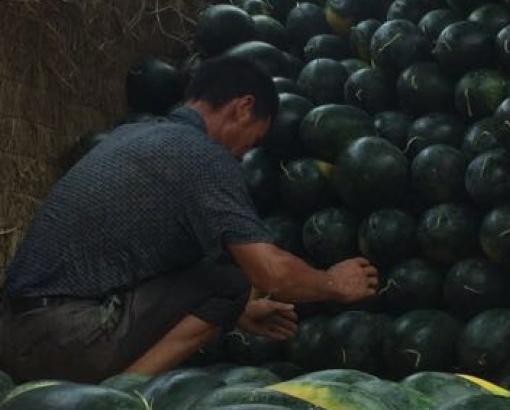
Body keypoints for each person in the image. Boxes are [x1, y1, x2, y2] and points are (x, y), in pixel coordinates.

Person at [0, 53, 378, 383]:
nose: (248, 151)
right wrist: (332, 282)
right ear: (243, 107)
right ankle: (120, 396)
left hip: (13, 335)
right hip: (69, 341)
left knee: (222, 286)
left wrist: (234, 314)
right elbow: (270, 273)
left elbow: (136, 264)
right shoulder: (205, 157)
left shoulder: (131, 135)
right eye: (255, 138)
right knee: (230, 280)